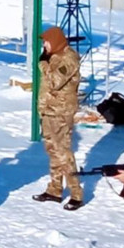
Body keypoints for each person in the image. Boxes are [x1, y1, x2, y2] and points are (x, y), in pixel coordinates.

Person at [32, 26, 83, 210]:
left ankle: (76, 193)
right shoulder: (53, 56)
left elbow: (55, 82)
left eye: (46, 41)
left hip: (60, 113)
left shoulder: (68, 59)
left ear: (55, 41)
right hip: (49, 111)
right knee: (53, 151)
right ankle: (54, 189)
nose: (44, 45)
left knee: (63, 152)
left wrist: (43, 64)